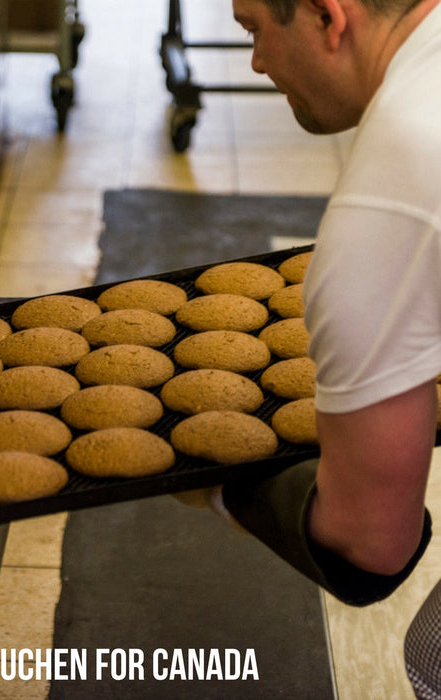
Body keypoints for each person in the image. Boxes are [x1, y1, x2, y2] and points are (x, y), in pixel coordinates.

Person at [178, 0, 441, 696]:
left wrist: (218, 482)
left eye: (254, 29)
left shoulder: (387, 207)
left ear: (330, 16)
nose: (257, 61)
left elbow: (370, 541)